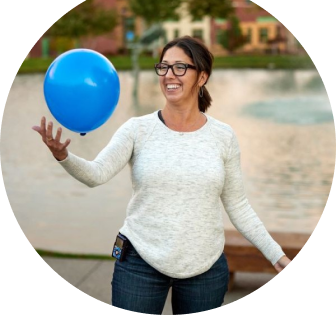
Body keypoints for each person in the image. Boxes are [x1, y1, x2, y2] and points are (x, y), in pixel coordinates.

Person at [33, 35, 291, 313]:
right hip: (139, 263)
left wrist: (276, 256)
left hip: (205, 268)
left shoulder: (223, 136)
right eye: (164, 67)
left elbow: (238, 206)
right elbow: (96, 174)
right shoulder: (137, 129)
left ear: (201, 77)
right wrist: (63, 156)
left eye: (180, 67)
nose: (170, 75)